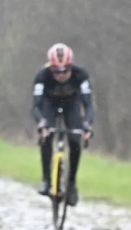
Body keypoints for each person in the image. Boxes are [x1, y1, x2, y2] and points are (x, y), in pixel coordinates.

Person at [31, 43, 94, 206]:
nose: (60, 74)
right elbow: (35, 106)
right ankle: (46, 179)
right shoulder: (42, 76)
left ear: (71, 66)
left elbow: (88, 104)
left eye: (65, 70)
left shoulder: (80, 74)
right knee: (47, 136)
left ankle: (71, 184)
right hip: (49, 104)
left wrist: (87, 124)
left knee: (74, 140)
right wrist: (41, 123)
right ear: (50, 68)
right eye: (56, 71)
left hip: (71, 105)